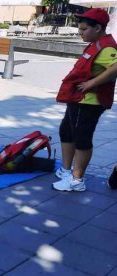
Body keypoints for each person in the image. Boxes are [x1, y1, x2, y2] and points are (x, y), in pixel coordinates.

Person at [53, 8, 117, 192]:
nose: (80, 33)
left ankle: (77, 180)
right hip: (77, 99)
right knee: (66, 132)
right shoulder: (95, 43)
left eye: (83, 30)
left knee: (82, 139)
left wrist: (92, 83)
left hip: (89, 102)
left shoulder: (107, 47)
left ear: (97, 28)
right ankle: (66, 170)